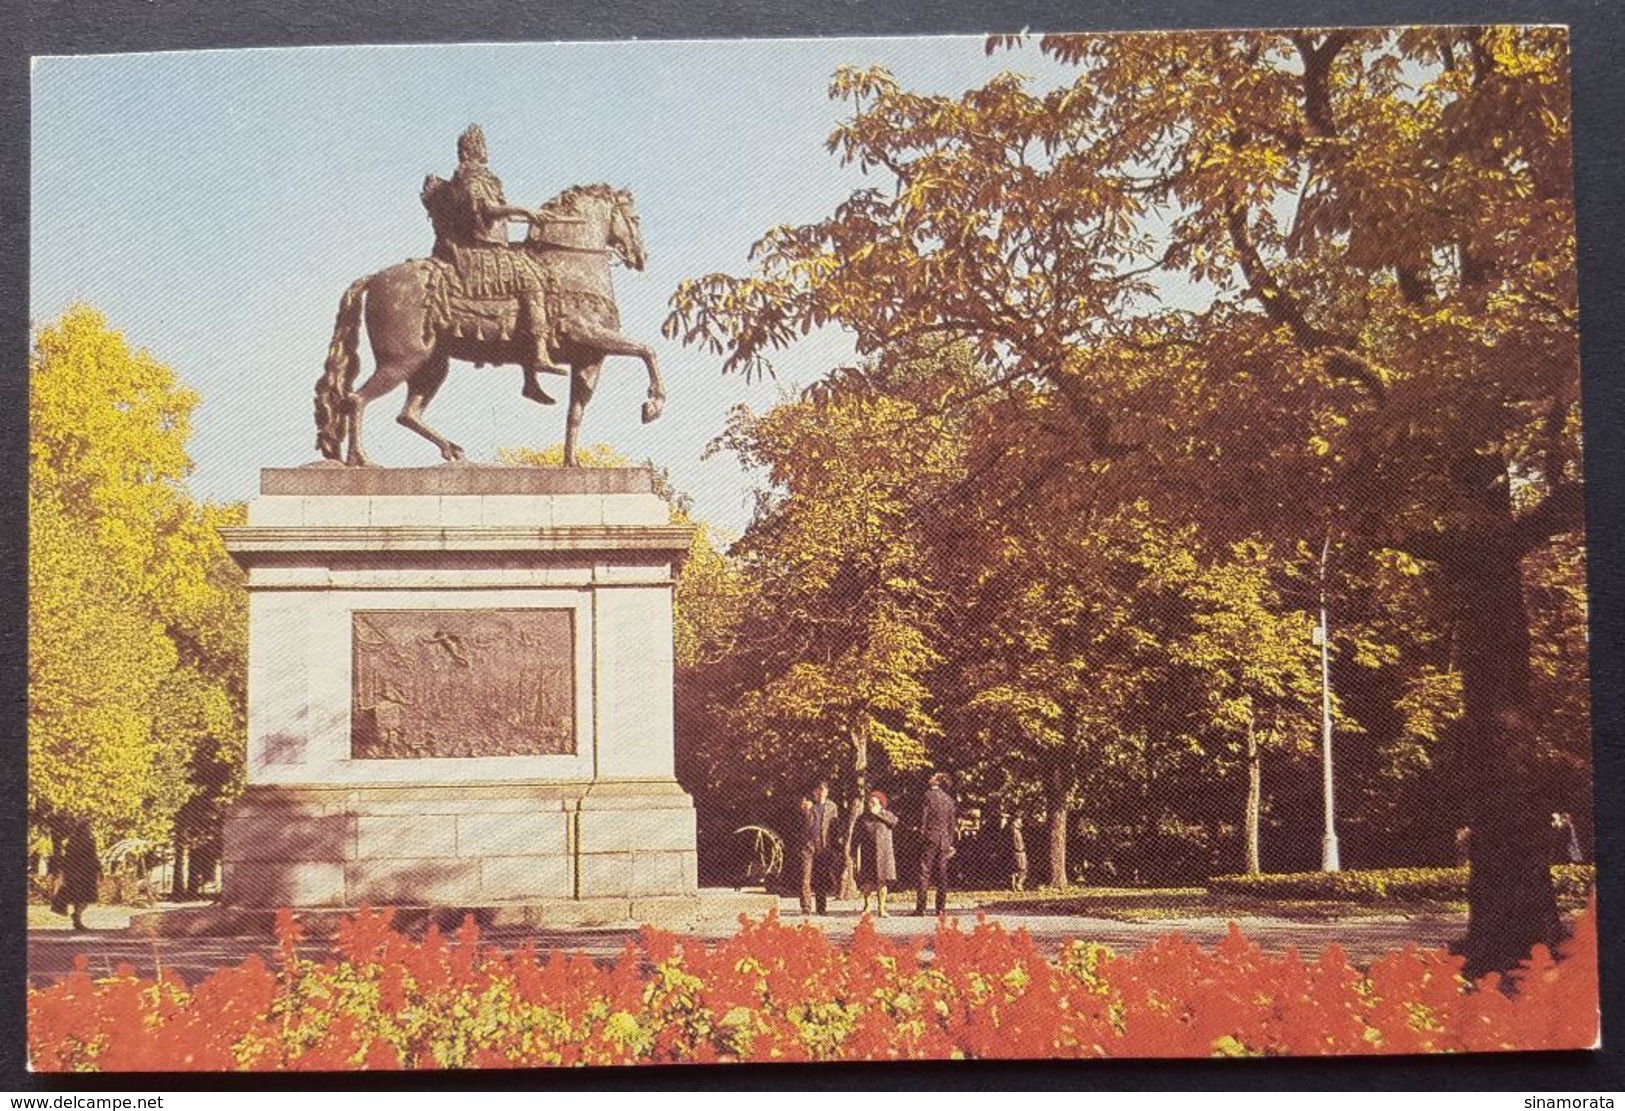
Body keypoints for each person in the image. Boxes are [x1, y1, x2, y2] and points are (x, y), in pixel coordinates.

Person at [421, 123, 570, 396]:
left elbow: (496, 214)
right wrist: (525, 210)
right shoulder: (472, 179)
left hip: (492, 245)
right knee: (531, 278)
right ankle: (538, 352)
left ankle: (530, 379)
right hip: (479, 251)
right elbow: (488, 210)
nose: (485, 151)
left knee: (535, 268)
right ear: (474, 150)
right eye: (481, 146)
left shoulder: (478, 178)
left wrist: (531, 217)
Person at [915, 771, 957, 916]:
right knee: (942, 874)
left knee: (924, 872)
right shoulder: (949, 800)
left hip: (930, 837)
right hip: (944, 839)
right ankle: (941, 909)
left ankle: (921, 908)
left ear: (937, 781)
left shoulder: (927, 796)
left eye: (932, 776)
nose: (929, 777)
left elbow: (923, 819)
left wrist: (921, 836)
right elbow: (952, 824)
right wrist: (950, 842)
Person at [856, 790, 900, 917]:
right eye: (869, 802)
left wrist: (879, 814)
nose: (870, 804)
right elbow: (857, 835)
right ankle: (867, 906)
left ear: (880, 803)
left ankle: (882, 908)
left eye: (873, 802)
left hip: (884, 854)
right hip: (868, 853)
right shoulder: (863, 817)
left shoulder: (887, 815)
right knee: (868, 882)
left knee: (882, 881)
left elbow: (894, 822)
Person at [799, 781, 839, 916]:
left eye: (823, 790)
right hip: (809, 845)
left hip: (825, 846)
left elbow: (835, 827)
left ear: (827, 791)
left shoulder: (832, 807)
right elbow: (800, 824)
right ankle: (806, 907)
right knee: (806, 877)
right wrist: (804, 811)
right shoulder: (808, 805)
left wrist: (835, 845)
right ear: (814, 792)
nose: (821, 792)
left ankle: (821, 908)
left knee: (822, 877)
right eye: (818, 790)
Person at [52, 819, 100, 932]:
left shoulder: (71, 841)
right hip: (85, 872)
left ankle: (77, 917)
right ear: (83, 829)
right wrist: (98, 869)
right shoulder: (89, 841)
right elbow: (92, 857)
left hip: (76, 872)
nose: (90, 829)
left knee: (80, 897)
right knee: (85, 897)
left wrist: (65, 872)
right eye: (89, 827)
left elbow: (67, 858)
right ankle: (77, 916)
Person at [1009, 814, 1029, 892]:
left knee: (1016, 869)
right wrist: (1021, 849)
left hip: (1016, 852)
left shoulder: (1014, 832)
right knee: (1023, 869)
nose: (1021, 824)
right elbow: (1018, 844)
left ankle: (1014, 884)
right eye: (1019, 822)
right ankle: (1019, 884)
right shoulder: (1016, 833)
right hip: (1019, 852)